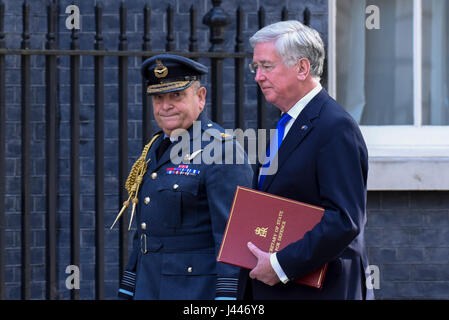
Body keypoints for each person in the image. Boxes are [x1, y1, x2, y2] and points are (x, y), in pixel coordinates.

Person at [237, 20, 374, 300]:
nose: (258, 77)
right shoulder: (288, 122)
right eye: (256, 67)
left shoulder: (335, 127)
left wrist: (280, 265)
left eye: (267, 66)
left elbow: (344, 220)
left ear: (302, 68)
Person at [115, 54, 253, 300]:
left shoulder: (222, 151)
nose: (165, 106)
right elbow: (147, 231)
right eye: (158, 98)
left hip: (195, 292)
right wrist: (129, 287)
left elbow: (233, 239)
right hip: (149, 287)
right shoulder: (156, 148)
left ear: (200, 98)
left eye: (176, 96)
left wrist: (227, 299)